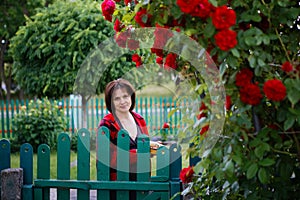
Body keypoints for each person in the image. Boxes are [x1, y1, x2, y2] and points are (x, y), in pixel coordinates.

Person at [98, 78, 161, 199]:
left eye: (125, 96)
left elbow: (143, 146)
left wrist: (152, 147)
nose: (123, 101)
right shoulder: (106, 124)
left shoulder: (139, 119)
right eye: (117, 98)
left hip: (142, 182)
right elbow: (106, 159)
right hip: (118, 186)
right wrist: (138, 153)